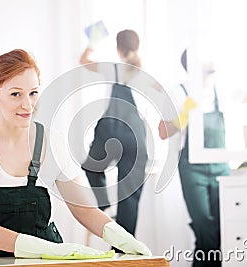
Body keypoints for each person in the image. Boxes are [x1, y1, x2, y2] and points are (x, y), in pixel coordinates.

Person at [0, 49, 151, 259]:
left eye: (33, 93)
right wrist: (48, 249)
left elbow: (84, 209)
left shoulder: (51, 142)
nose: (27, 105)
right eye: (15, 94)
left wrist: (125, 239)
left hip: (45, 263)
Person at [158, 46, 247, 267]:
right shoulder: (178, 92)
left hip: (221, 167)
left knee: (223, 227)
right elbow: (162, 131)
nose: (211, 60)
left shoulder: (221, 89)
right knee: (204, 226)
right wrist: (182, 116)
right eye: (204, 57)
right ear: (192, 64)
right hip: (192, 169)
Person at [79, 29, 161, 239]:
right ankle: (124, 247)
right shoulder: (145, 72)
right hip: (136, 138)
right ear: (138, 46)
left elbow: (84, 60)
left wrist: (94, 40)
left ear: (117, 47)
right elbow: (158, 98)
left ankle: (104, 206)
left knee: (92, 167)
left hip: (110, 133)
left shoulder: (113, 69)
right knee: (129, 196)